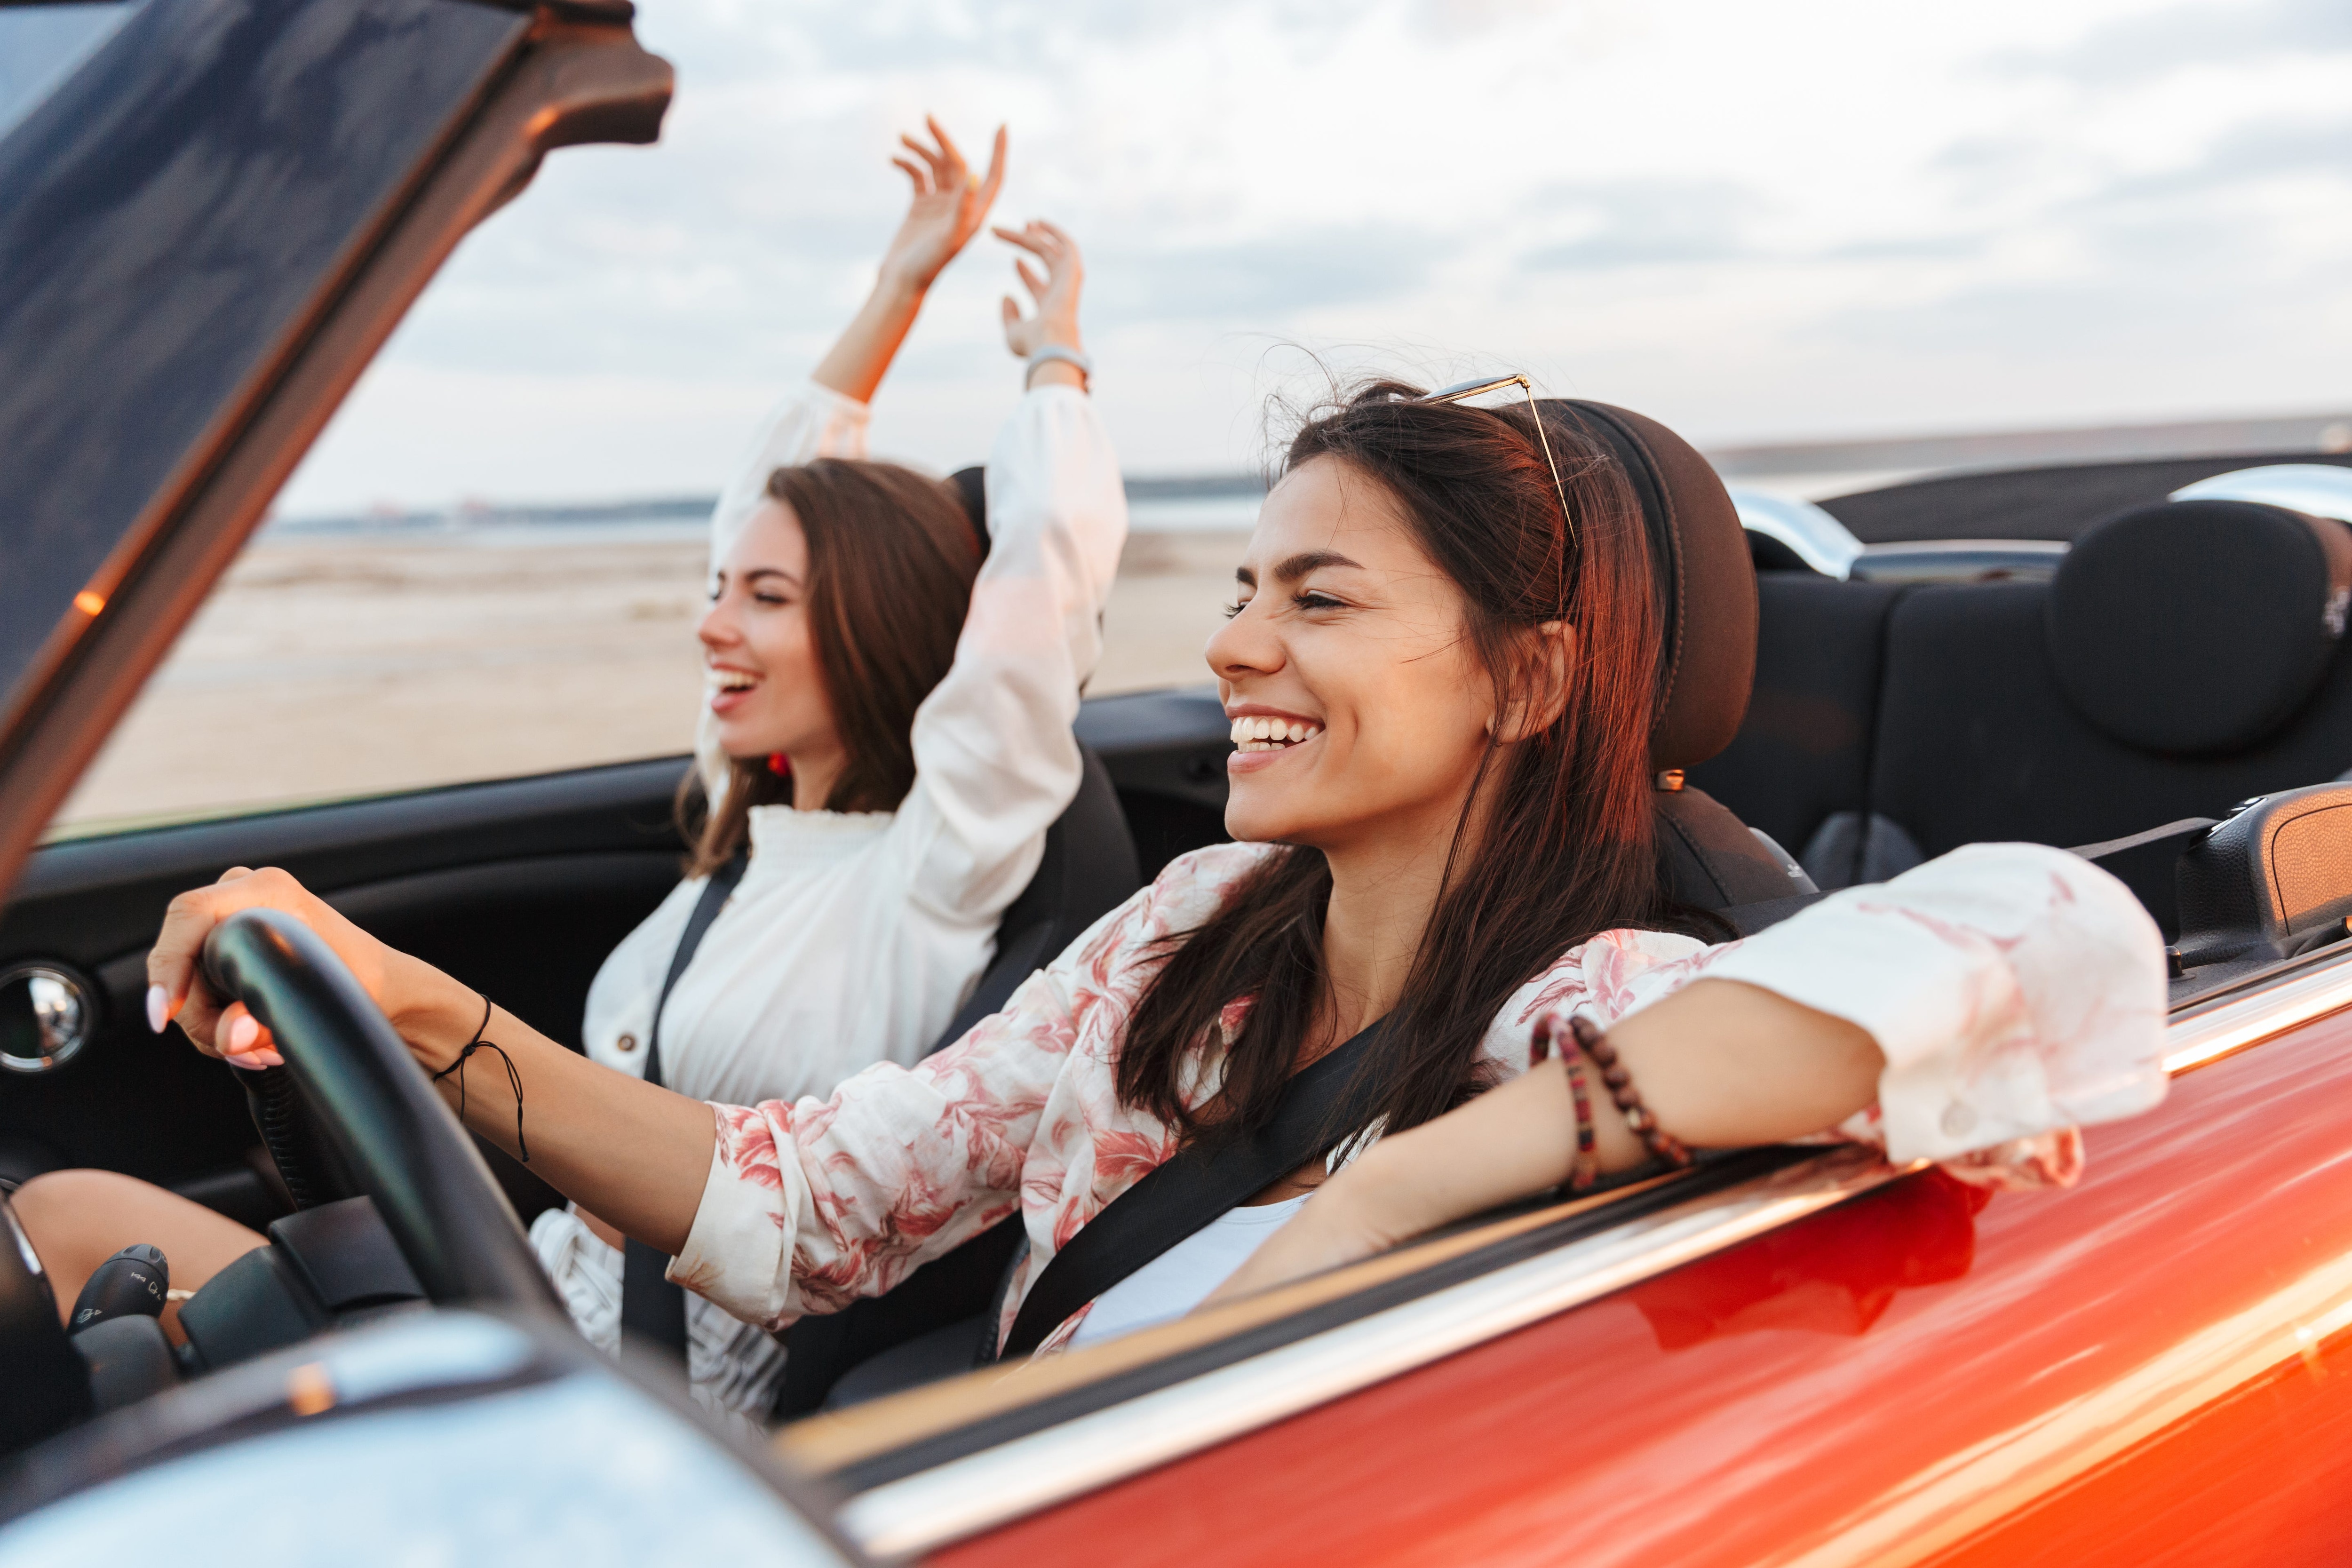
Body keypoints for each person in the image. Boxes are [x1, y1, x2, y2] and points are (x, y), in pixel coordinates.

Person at [127, 374, 2169, 1369]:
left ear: (1530, 677)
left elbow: (2053, 934)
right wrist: (404, 999)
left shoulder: (1592, 1006)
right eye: (1239, 586)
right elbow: (803, 1205)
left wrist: (1408, 1177)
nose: (1229, 650)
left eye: (1319, 599)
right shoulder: (1181, 931)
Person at [15, 118, 1128, 1417]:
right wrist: (900, 284)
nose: (714, 621)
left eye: (765, 598)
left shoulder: (939, 866)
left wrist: (1056, 358)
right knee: (65, 1211)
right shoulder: (753, 825)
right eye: (720, 589)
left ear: (878, 628)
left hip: (629, 1392)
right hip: (524, 1293)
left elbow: (1047, 568)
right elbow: (762, 500)